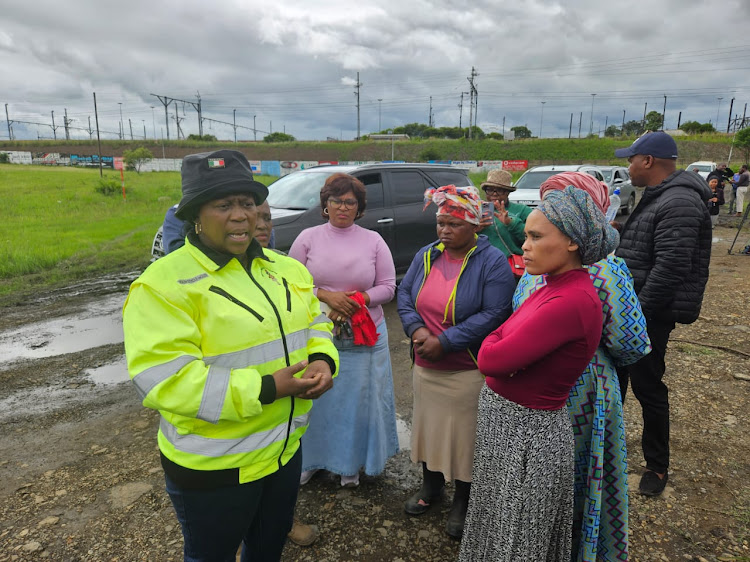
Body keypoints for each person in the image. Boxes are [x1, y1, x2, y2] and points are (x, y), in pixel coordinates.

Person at [123, 149, 338, 561]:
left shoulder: (286, 269)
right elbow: (165, 380)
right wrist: (267, 388)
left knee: (267, 551)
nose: (242, 215)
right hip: (214, 470)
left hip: (283, 452)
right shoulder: (163, 285)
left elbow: (316, 324)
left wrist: (324, 362)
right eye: (224, 205)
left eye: (248, 203)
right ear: (196, 216)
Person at [459, 186, 619, 562]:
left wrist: (495, 341)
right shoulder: (550, 286)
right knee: (500, 521)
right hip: (512, 430)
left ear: (572, 243)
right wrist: (497, 339)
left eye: (535, 236)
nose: (524, 245)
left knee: (514, 534)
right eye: (526, 236)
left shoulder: (570, 300)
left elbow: (491, 359)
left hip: (527, 435)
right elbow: (499, 336)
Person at [513, 172, 652, 562]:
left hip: (561, 392)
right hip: (573, 389)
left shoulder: (590, 269)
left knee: (554, 483)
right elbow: (630, 344)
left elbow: (631, 344)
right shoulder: (589, 267)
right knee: (570, 483)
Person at [397, 184, 514, 538]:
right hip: (425, 366)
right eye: (440, 223)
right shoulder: (427, 254)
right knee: (428, 429)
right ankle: (431, 487)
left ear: (475, 225)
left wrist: (446, 342)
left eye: (454, 224)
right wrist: (417, 331)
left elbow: (496, 312)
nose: (444, 231)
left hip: (465, 370)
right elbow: (404, 293)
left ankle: (464, 501)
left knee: (465, 439)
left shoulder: (491, 261)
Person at [614, 132, 712, 496]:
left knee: (647, 385)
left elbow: (671, 266)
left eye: (631, 159)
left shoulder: (680, 201)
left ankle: (657, 465)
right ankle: (607, 448)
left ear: (649, 161)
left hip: (648, 314)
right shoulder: (660, 197)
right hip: (633, 309)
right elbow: (646, 249)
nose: (629, 166)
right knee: (616, 381)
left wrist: (634, 315)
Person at [289, 173, 399, 489]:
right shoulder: (307, 238)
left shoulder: (374, 241)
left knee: (357, 403)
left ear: (359, 207)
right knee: (316, 399)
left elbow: (388, 287)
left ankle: (349, 466)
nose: (342, 207)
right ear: (325, 205)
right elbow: (294, 285)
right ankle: (310, 461)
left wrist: (355, 300)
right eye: (335, 200)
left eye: (350, 201)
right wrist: (326, 296)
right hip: (317, 334)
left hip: (365, 338)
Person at [478, 169, 532, 257]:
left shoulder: (522, 210)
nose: (494, 194)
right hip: (483, 263)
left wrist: (511, 223)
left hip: (513, 265)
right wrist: (475, 229)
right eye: (490, 190)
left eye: (499, 190)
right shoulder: (475, 210)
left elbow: (533, 238)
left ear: (507, 192)